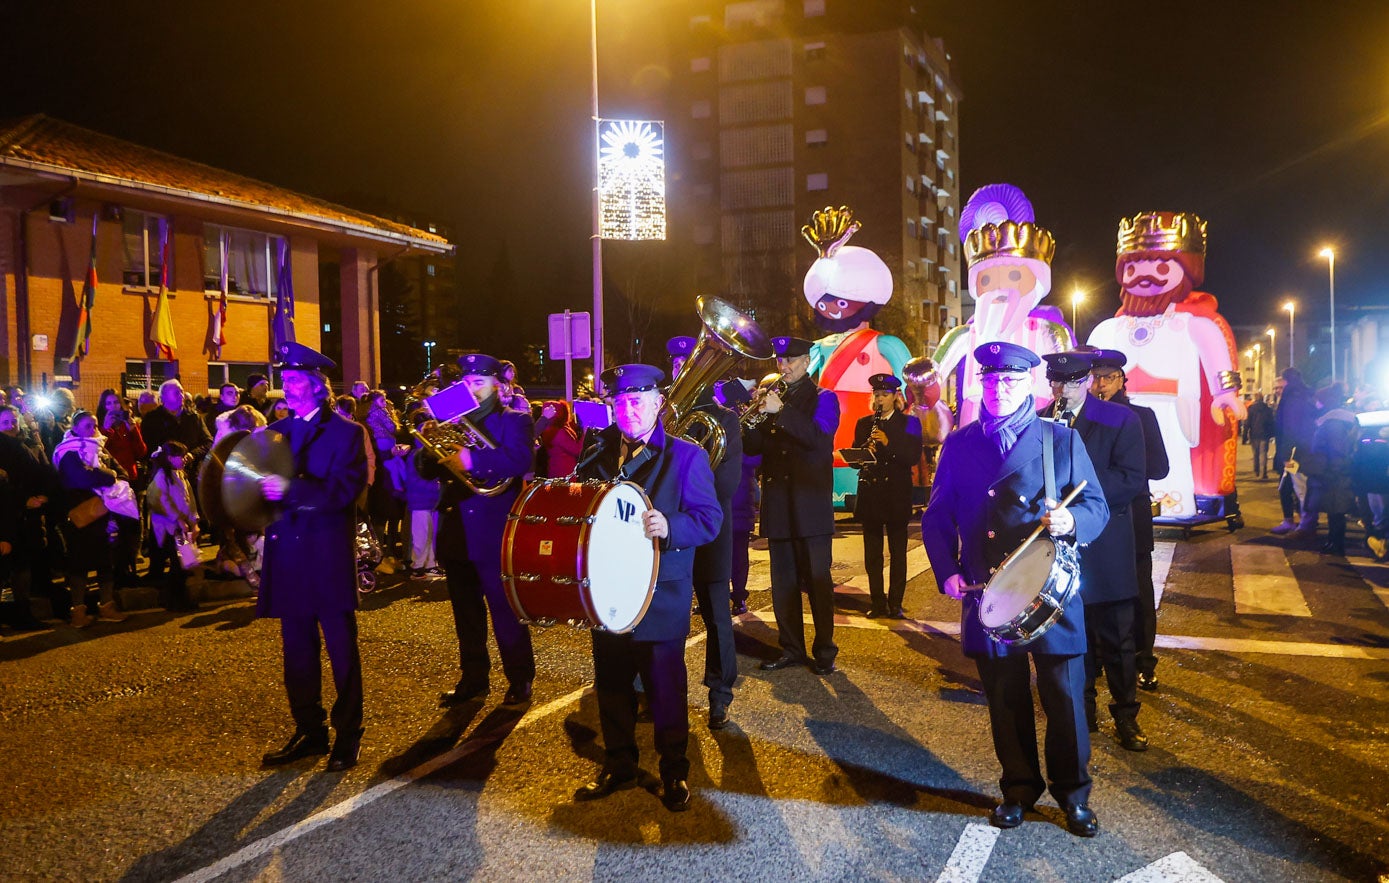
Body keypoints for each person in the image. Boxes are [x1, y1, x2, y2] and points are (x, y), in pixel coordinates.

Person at [921, 342, 1108, 837]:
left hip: (1049, 593)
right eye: (990, 380)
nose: (999, 388)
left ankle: (1073, 794)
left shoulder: (1057, 440)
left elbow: (1097, 507)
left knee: (1064, 698)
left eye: (1009, 380)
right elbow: (937, 516)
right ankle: (1019, 789)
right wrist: (946, 570)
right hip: (988, 590)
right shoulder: (960, 444)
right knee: (1005, 698)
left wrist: (1071, 519)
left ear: (1028, 383)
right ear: (980, 385)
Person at [573, 363, 722, 812]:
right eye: (619, 402)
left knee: (665, 689)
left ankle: (674, 771)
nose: (628, 410)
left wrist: (669, 525)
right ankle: (619, 765)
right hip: (608, 591)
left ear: (659, 403)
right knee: (613, 684)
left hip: (661, 595)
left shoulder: (687, 456)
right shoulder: (596, 452)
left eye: (638, 401)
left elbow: (709, 519)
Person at [258, 342, 370, 772]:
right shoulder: (276, 431)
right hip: (288, 551)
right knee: (297, 651)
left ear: (319, 386)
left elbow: (344, 491)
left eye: (294, 379)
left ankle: (348, 734)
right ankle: (309, 730)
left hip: (325, 552)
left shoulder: (346, 432)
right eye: (284, 379)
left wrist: (291, 490)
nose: (285, 386)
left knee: (342, 649)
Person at [1044, 352, 1149, 751]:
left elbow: (1131, 479)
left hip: (1106, 544)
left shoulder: (1120, 420)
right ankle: (1082, 713)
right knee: (1073, 636)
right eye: (1057, 383)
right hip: (1058, 549)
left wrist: (1075, 497)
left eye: (1071, 383)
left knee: (1118, 639)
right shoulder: (1041, 418)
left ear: (1087, 380)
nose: (1063, 391)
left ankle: (1126, 714)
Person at [424, 353, 537, 707]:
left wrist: (472, 460)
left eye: (478, 383)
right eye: (467, 383)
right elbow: (426, 470)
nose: (471, 390)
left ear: (497, 386)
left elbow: (521, 460)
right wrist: (428, 448)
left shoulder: (515, 420)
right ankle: (473, 679)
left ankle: (520, 678)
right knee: (465, 615)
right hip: (457, 529)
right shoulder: (449, 418)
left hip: (495, 529)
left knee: (505, 610)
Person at [744, 336, 841, 675]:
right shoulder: (774, 399)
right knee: (783, 582)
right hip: (779, 506)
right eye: (779, 361)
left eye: (790, 360)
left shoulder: (825, 398)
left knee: (817, 581)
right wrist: (751, 418)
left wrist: (780, 412)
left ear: (807, 360)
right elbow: (754, 450)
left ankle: (825, 651)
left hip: (810, 506)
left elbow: (819, 437)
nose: (783, 366)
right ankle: (791, 648)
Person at [669, 336, 743, 731]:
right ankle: (661, 690)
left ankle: (719, 694)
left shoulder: (724, 419)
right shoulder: (658, 417)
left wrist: (679, 492)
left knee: (717, 618)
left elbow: (727, 483)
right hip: (668, 538)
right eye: (679, 365)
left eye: (692, 364)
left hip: (710, 535)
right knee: (666, 617)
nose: (684, 371)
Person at [1088, 349, 1170, 693]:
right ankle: (1096, 660)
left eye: (1110, 378)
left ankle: (1143, 659)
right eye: (1097, 377)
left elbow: (1159, 468)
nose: (1102, 384)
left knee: (1137, 592)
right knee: (1092, 592)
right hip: (1093, 519)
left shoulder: (1141, 416)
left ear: (1123, 381)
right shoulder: (1084, 418)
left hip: (1130, 518)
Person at [851, 373, 923, 619]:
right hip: (871, 494)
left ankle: (895, 603)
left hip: (896, 495)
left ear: (895, 397)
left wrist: (888, 443)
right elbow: (856, 462)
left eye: (885, 395)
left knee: (897, 552)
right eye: (877, 395)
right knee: (872, 555)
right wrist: (863, 451)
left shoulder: (910, 423)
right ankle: (877, 602)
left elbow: (911, 457)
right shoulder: (864, 423)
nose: (880, 399)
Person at [53, 410, 131, 628]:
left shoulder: (100, 449)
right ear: (75, 428)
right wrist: (109, 476)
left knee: (106, 562)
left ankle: (107, 606)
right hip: (80, 517)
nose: (93, 429)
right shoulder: (68, 451)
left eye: (95, 425)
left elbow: (123, 472)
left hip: (104, 514)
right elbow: (81, 478)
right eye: (87, 425)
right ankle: (78, 611)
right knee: (79, 565)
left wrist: (109, 474)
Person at [717, 379, 759, 616]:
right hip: (728, 494)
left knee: (736, 552)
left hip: (740, 494)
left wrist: (733, 454)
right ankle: (731, 597)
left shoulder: (745, 424)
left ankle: (738, 596)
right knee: (730, 552)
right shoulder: (721, 420)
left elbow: (755, 458)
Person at [146, 442, 199, 611]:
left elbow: (190, 499)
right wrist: (178, 520)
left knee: (185, 563)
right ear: (169, 458)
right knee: (179, 563)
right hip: (171, 529)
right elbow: (161, 501)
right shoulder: (162, 476)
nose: (185, 459)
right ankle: (174, 599)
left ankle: (178, 598)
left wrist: (194, 521)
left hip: (181, 528)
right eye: (181, 456)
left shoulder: (180, 474)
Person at [1271, 369, 1318, 534]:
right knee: (1288, 486)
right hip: (1300, 451)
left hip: (1294, 454)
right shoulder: (1305, 396)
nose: (1277, 390)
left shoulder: (1292, 399)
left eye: (1280, 385)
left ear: (1287, 381)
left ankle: (1305, 524)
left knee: (1298, 487)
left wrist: (1285, 455)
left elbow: (1290, 429)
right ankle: (1295, 520)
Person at [534, 400, 583, 479]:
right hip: (563, 469)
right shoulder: (557, 432)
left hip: (559, 468)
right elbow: (576, 450)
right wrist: (585, 433)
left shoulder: (555, 428)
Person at [1245, 392, 1275, 479]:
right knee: (1263, 453)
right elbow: (1271, 423)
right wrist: (1272, 434)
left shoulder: (1251, 408)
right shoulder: (1268, 409)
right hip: (1264, 434)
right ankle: (1263, 473)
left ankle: (1256, 471)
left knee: (1256, 453)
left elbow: (1247, 422)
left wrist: (1245, 435)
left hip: (1254, 434)